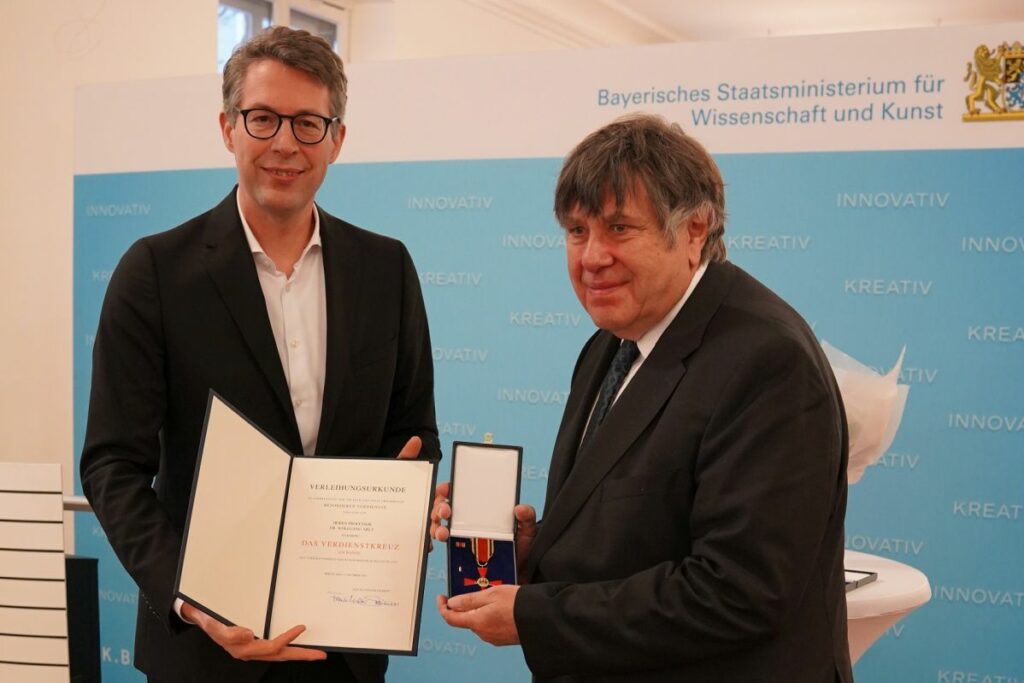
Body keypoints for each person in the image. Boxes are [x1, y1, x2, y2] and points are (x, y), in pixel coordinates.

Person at [431, 114, 852, 682]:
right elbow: (637, 527)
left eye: (620, 229)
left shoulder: (767, 361)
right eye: (577, 231)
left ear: (695, 230)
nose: (591, 257)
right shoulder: (610, 343)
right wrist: (535, 551)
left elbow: (736, 592)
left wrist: (537, 616)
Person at [81, 27, 439, 683]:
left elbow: (414, 431)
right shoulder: (155, 273)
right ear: (227, 127)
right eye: (263, 118)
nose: (284, 143)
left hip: (345, 650)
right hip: (205, 651)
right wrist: (192, 598)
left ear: (337, 138)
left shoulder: (387, 269)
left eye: (308, 123)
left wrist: (405, 500)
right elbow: (113, 466)